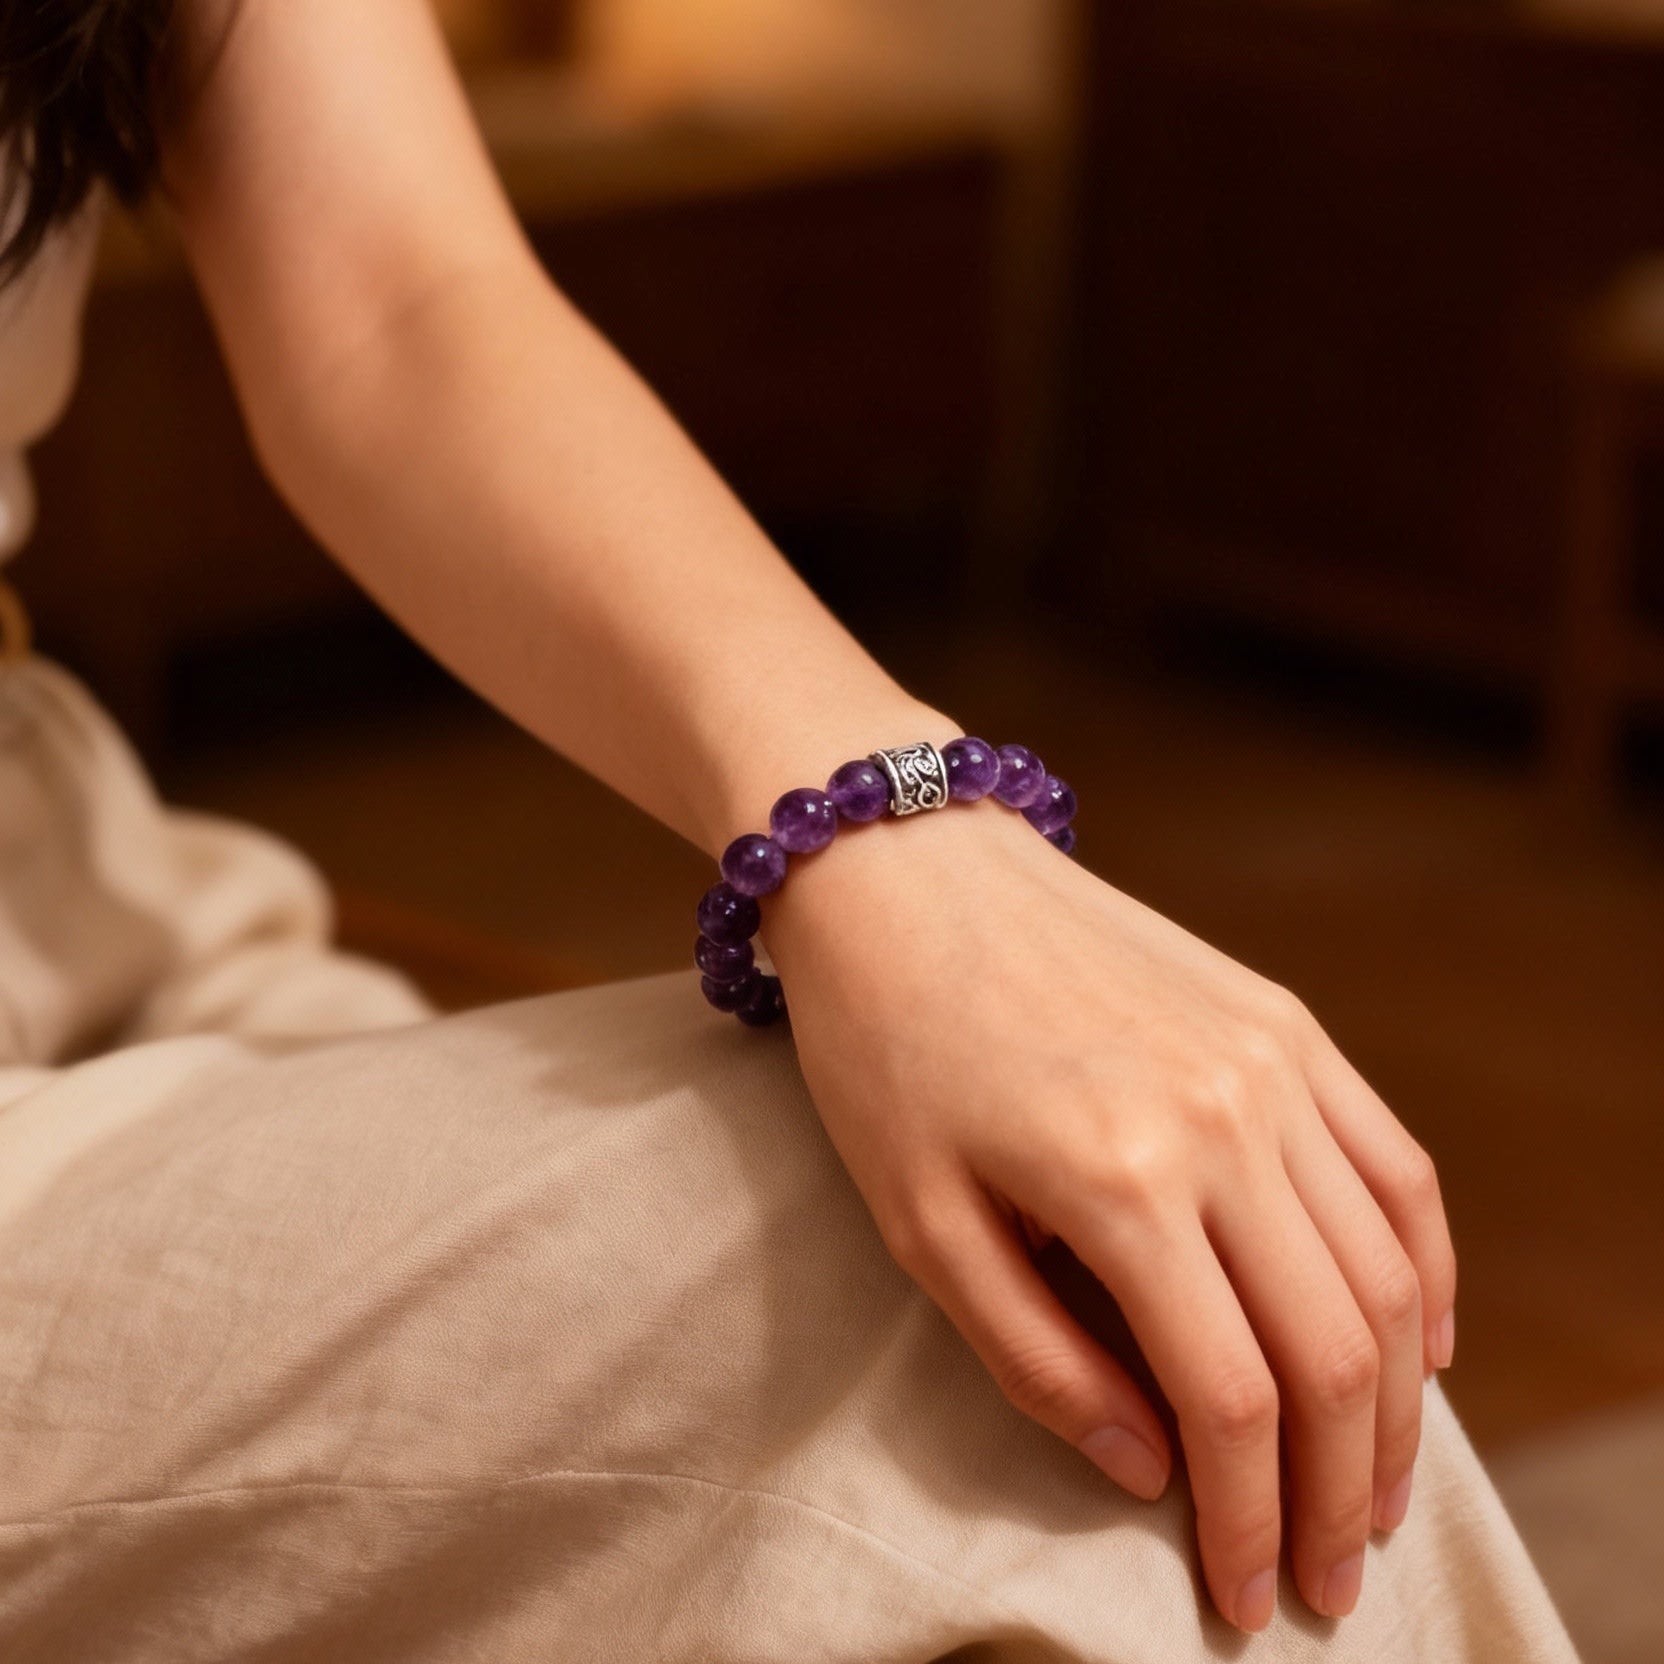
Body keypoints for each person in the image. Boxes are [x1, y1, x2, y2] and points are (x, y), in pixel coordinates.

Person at [0, 3, 1578, 1658]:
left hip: (82, 879)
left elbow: (399, 301)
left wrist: (897, 834)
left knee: (1125, 1276)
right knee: (982, 1333)